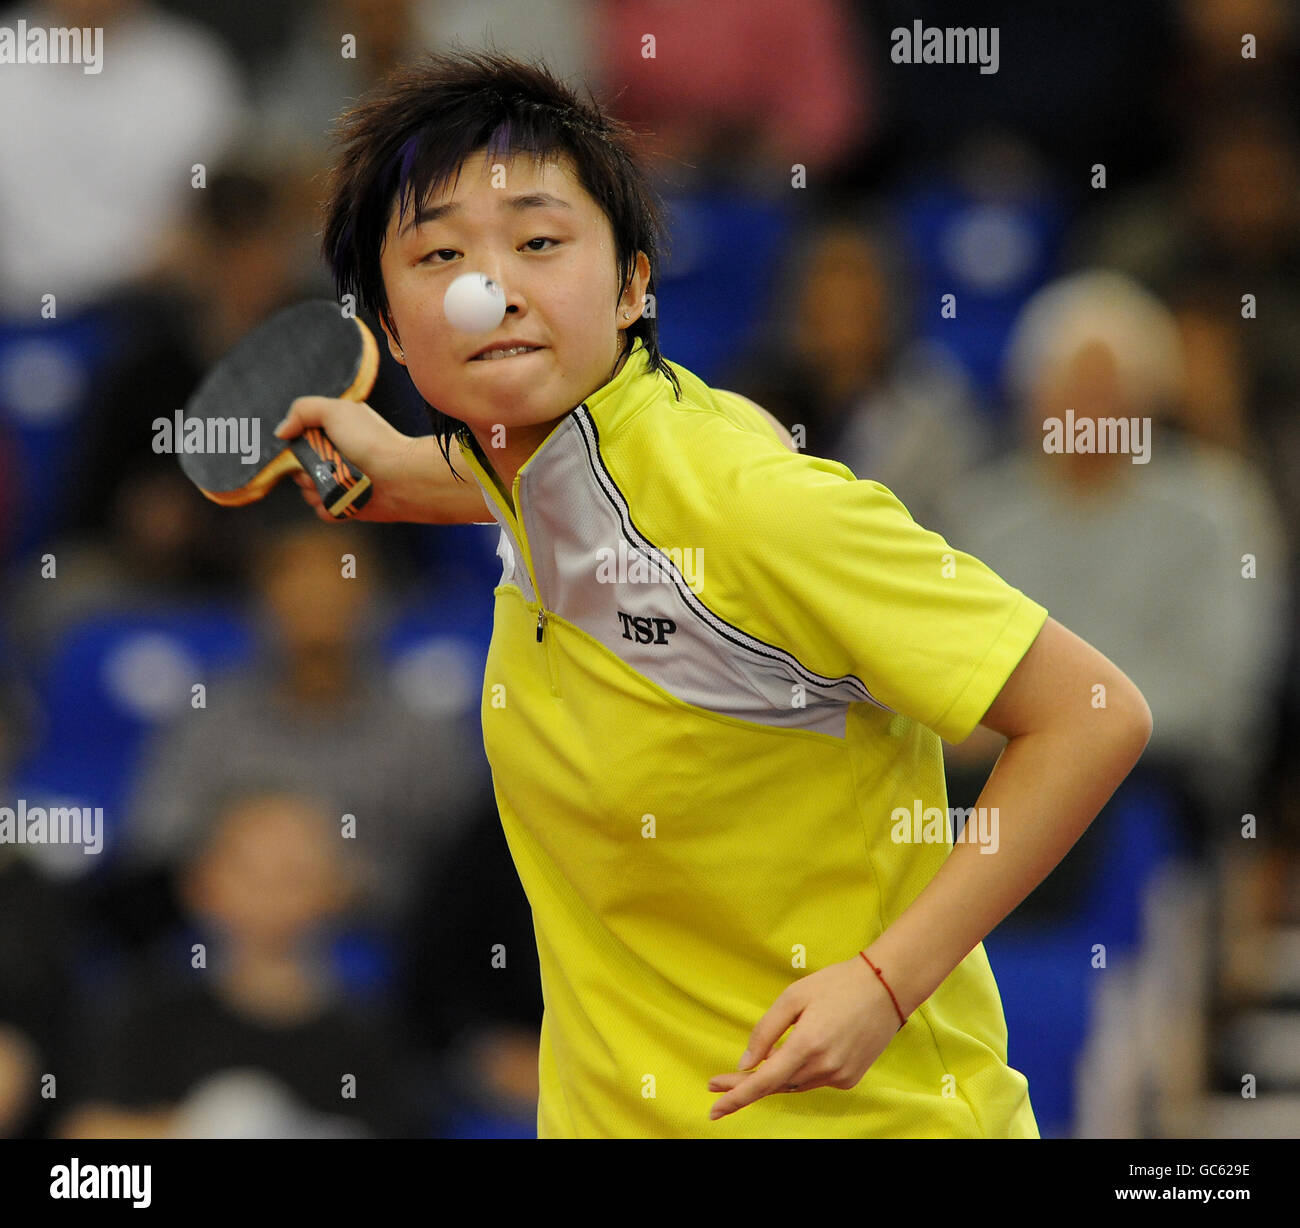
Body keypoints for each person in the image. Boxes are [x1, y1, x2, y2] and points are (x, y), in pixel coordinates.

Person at [275, 50, 1153, 1139]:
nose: (486, 287)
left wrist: (886, 982)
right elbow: (570, 499)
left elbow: (1094, 712)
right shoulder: (544, 477)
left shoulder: (753, 503)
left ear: (635, 281)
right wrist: (413, 471)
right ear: (394, 329)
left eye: (540, 242)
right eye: (439, 252)